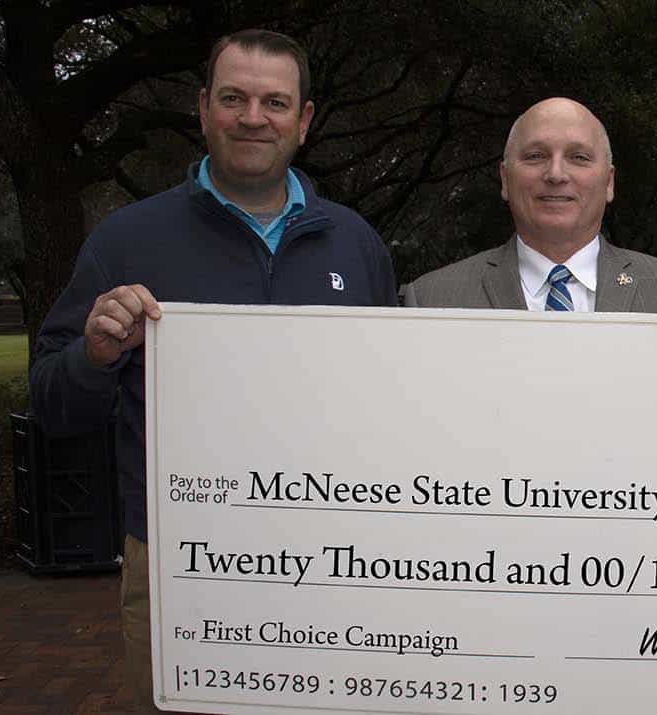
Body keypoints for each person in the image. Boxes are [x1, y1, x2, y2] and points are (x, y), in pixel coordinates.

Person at [29, 29, 397, 712]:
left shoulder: (357, 244)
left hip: (333, 560)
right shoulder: (126, 240)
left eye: (274, 102)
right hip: (177, 565)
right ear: (203, 109)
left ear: (304, 120)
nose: (252, 117)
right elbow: (52, 406)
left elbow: (391, 410)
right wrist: (97, 355)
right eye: (233, 98)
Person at [403, 97, 657, 313]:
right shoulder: (433, 298)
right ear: (505, 179)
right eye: (535, 155)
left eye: (579, 157)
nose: (556, 174)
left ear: (609, 182)